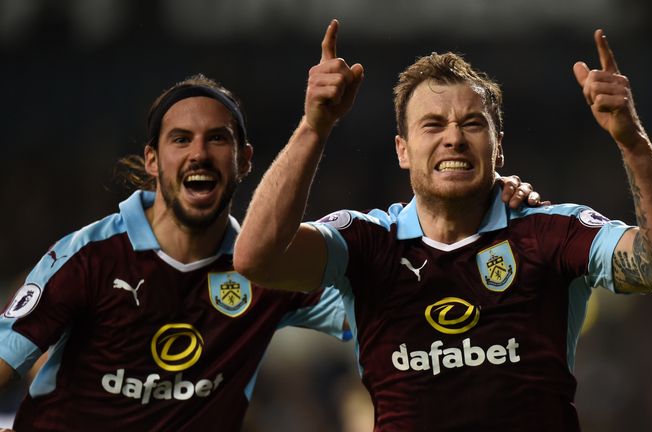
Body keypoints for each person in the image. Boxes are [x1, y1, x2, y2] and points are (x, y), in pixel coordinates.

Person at [233, 19, 652, 431]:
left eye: (473, 124)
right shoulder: (368, 244)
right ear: (402, 149)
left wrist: (631, 138)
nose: (454, 138)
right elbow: (256, 257)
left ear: (498, 148)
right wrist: (314, 126)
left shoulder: (550, 234)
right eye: (433, 125)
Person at [0, 75, 538, 431]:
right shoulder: (89, 257)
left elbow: (401, 305)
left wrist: (478, 195)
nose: (199, 153)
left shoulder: (268, 270)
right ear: (151, 161)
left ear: (245, 161)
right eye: (180, 139)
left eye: (217, 139)